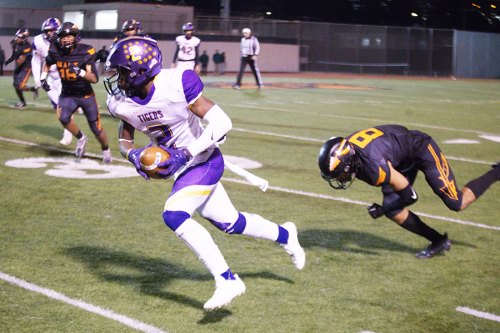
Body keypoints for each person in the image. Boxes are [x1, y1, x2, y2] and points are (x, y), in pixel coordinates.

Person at [105, 36, 305, 311]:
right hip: (181, 167)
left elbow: (223, 122)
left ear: (140, 71)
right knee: (230, 223)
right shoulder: (120, 103)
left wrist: (186, 153)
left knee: (174, 215)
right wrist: (133, 155)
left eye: (122, 73)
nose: (118, 80)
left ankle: (228, 280)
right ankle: (286, 235)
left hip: (203, 160)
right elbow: (124, 139)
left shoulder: (176, 83)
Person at [318, 125, 500, 259]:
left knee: (456, 203)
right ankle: (439, 241)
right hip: (399, 159)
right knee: (394, 210)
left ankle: (497, 172)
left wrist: (382, 210)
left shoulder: (373, 168)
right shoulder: (351, 152)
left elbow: (410, 195)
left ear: (350, 163)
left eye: (339, 173)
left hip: (421, 149)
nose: (340, 178)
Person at [43, 22, 111, 163]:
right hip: (67, 95)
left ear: (76, 37)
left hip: (86, 95)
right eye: (63, 36)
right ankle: (81, 138)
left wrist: (80, 72)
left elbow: (94, 79)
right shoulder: (56, 50)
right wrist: (43, 77)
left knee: (97, 129)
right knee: (63, 118)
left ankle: (106, 150)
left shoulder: (85, 52)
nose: (66, 39)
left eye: (70, 36)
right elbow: (48, 62)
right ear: (59, 38)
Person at [32, 17, 73, 146]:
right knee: (57, 106)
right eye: (47, 30)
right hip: (49, 77)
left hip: (64, 77)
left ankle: (68, 132)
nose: (49, 33)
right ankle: (68, 127)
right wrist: (37, 80)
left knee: (63, 106)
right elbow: (36, 60)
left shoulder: (66, 38)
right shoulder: (38, 40)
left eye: (52, 30)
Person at [5, 29, 38, 108]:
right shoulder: (15, 43)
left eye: (19, 37)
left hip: (26, 67)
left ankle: (33, 89)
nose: (17, 38)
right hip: (19, 67)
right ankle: (23, 102)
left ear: (24, 38)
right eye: (17, 36)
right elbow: (14, 55)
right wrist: (8, 61)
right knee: (15, 85)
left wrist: (18, 58)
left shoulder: (27, 47)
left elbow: (20, 61)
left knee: (20, 86)